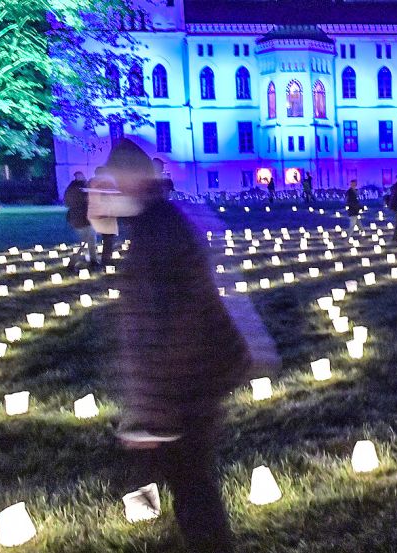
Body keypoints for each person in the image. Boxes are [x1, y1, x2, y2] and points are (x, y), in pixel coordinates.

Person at [107, 139, 278, 553]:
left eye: (113, 182)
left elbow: (165, 319)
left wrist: (152, 406)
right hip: (194, 380)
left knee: (193, 490)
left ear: (131, 180)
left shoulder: (157, 232)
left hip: (184, 387)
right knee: (192, 485)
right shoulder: (164, 222)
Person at [64, 171, 98, 270]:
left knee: (90, 240)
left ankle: (93, 260)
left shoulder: (71, 188)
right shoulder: (82, 189)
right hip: (82, 219)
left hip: (79, 219)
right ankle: (74, 262)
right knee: (86, 241)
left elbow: (67, 202)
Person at [87, 166, 119, 266]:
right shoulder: (107, 183)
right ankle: (106, 261)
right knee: (108, 239)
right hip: (106, 214)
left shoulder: (90, 182)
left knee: (90, 238)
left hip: (93, 214)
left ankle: (92, 259)